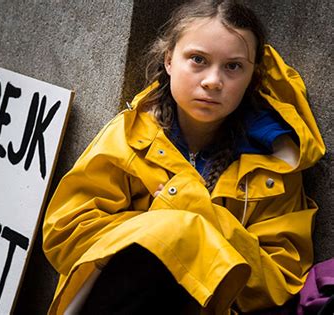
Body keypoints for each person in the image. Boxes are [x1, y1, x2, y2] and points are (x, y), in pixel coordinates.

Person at [42, 0, 326, 314]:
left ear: (252, 77)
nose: (212, 81)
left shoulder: (276, 164)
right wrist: (170, 229)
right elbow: (65, 234)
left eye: (233, 66)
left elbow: (281, 283)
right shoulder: (130, 136)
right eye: (197, 60)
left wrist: (196, 211)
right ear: (168, 60)